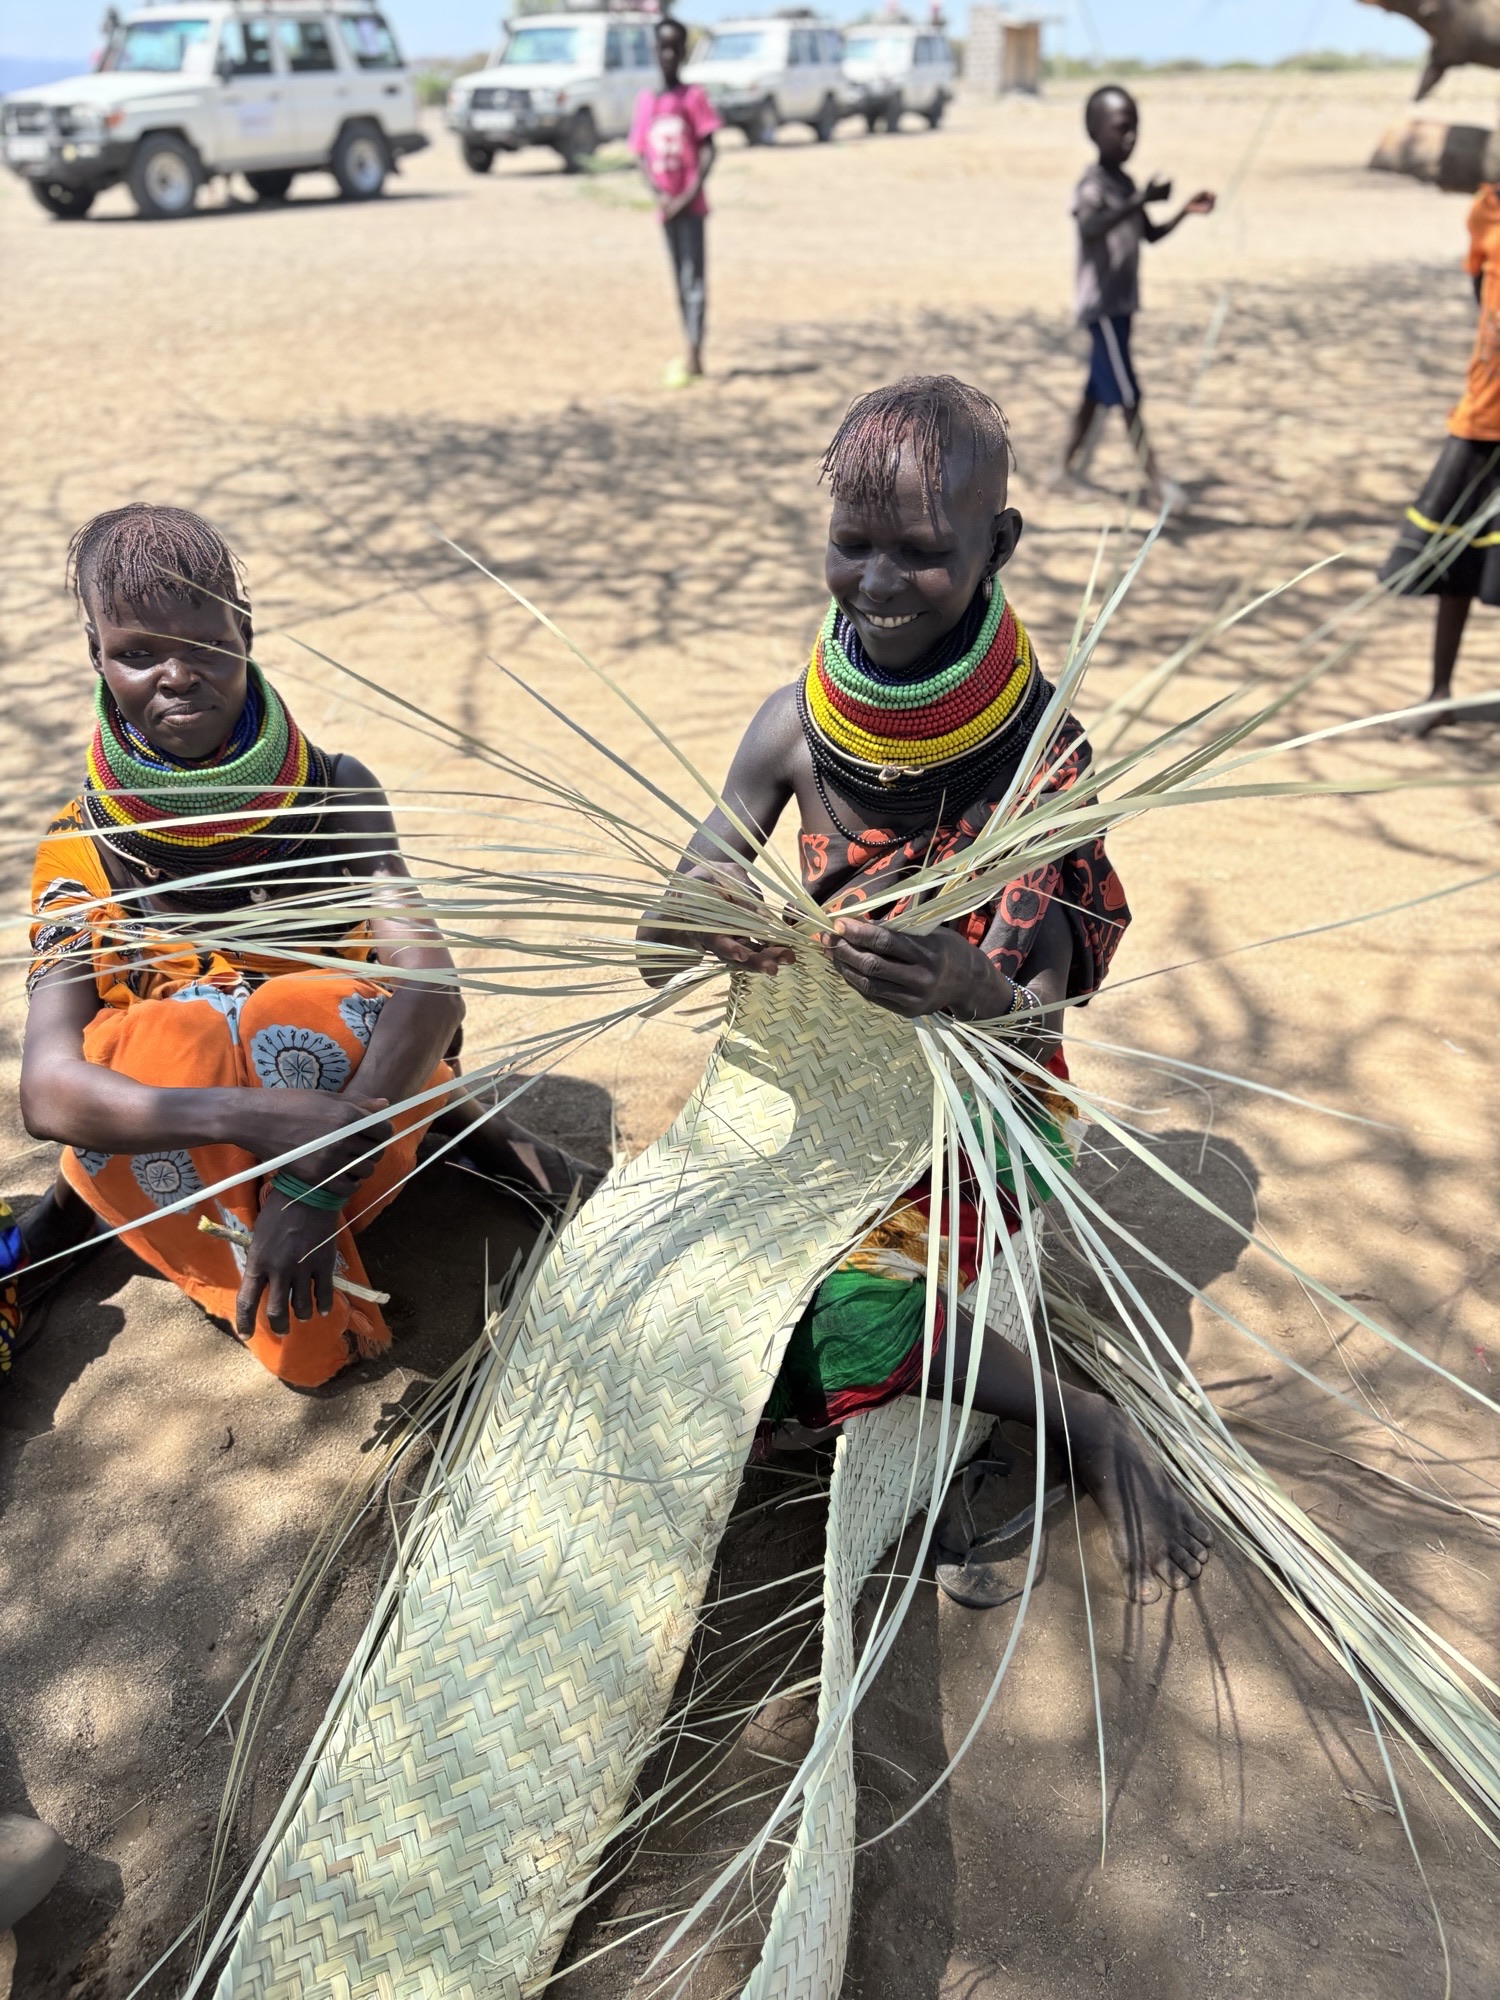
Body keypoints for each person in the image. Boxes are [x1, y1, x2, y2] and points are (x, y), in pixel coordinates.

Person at [638, 376, 1213, 1602]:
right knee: (659, 1270)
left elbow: (1040, 1024)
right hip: (814, 1100)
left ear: (997, 545)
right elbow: (662, 927)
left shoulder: (1038, 755)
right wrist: (705, 911)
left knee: (851, 1305)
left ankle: (1086, 1424)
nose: (879, 582)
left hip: (982, 1112)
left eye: (922, 552)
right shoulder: (792, 723)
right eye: (852, 544)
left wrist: (967, 984)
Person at [16, 505, 596, 1389]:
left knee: (297, 1010)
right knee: (175, 1041)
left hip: (349, 1110)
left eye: (204, 644)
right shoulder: (80, 846)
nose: (176, 676)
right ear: (97, 656)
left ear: (243, 630)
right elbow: (50, 1090)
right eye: (137, 654)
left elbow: (432, 993)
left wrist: (313, 1174)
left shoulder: (335, 791)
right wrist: (253, 1119)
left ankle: (423, 1133)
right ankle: (433, 1133)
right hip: (197, 1136)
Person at [1379, 182, 1500, 735]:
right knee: (1454, 556)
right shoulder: (1488, 209)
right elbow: (1483, 294)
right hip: (1482, 416)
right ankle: (1440, 693)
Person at [1058, 86, 1215, 499]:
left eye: (1135, 130)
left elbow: (1149, 233)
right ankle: (1156, 483)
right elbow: (1090, 225)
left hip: (1122, 306)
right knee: (1128, 394)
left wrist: (1183, 210)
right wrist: (1139, 198)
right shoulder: (1092, 184)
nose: (1130, 138)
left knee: (1095, 393)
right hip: (1102, 307)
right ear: (1094, 132)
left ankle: (1062, 469)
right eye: (1121, 129)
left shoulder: (1125, 182)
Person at [629, 16, 721, 385]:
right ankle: (688, 342)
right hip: (666, 208)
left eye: (674, 48)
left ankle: (695, 351)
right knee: (677, 280)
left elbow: (709, 151)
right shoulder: (647, 101)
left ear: (682, 52)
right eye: (661, 48)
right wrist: (661, 196)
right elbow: (639, 155)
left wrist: (686, 195)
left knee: (693, 278)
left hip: (691, 207)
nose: (667, 55)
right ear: (654, 52)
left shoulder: (693, 97)